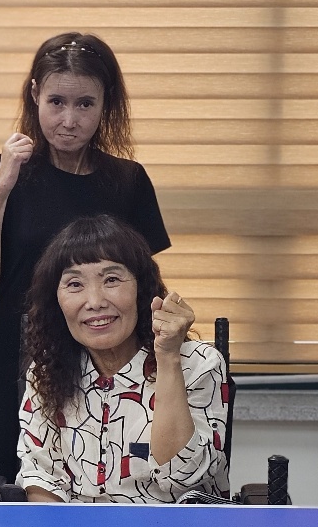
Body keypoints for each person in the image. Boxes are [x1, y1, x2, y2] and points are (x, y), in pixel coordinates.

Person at [0, 32, 170, 500]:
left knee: (88, 503)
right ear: (35, 95)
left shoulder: (128, 181)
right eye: (56, 102)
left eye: (85, 104)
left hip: (96, 367)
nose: (69, 120)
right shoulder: (0, 171)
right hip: (5, 361)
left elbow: (143, 289)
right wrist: (2, 187)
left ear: (106, 103)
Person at [14, 215, 228, 503]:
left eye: (111, 280)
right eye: (75, 284)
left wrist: (168, 358)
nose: (95, 302)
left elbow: (184, 478)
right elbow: (41, 479)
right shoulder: (46, 372)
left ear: (141, 289)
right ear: (57, 301)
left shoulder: (198, 363)